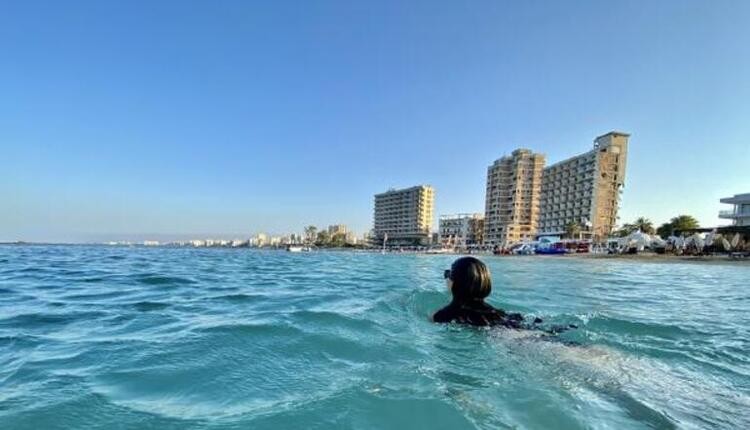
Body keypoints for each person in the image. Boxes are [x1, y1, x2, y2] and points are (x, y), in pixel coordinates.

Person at [432, 256, 541, 328]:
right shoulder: (497, 313)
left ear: (457, 283)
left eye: (448, 275)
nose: (446, 279)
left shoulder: (442, 316)